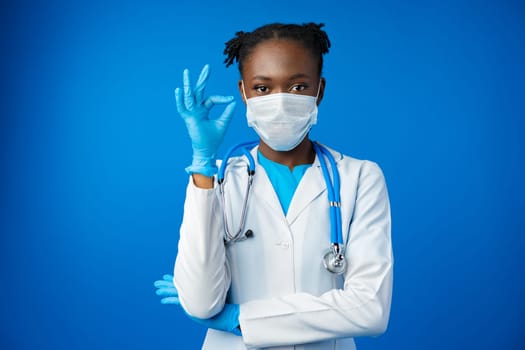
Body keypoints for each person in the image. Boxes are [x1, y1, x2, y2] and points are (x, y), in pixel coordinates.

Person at [154, 22, 393, 349]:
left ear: (319, 91)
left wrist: (241, 318)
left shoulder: (360, 177)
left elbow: (370, 309)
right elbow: (200, 302)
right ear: (244, 93)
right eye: (263, 89)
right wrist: (203, 165)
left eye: (297, 87)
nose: (280, 102)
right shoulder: (217, 180)